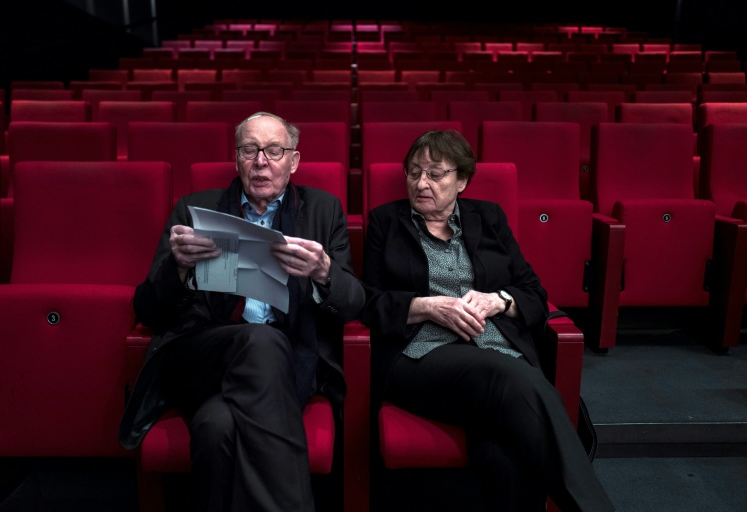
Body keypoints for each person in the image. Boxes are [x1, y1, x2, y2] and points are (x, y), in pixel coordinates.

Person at [118, 112, 365, 511]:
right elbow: (148, 309)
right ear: (237, 158)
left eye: (273, 151)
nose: (260, 161)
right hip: (204, 356)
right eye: (250, 149)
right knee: (261, 341)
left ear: (294, 161)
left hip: (288, 362)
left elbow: (353, 303)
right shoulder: (195, 210)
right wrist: (178, 268)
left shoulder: (323, 210)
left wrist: (323, 271)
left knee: (216, 427)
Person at [359, 129, 615, 512]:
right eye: (414, 173)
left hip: (496, 353)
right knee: (511, 376)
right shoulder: (386, 222)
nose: (421, 183)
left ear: (461, 180)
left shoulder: (489, 218)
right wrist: (428, 306)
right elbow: (370, 302)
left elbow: (532, 292)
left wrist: (499, 300)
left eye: (435, 174)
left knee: (507, 455)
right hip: (422, 358)